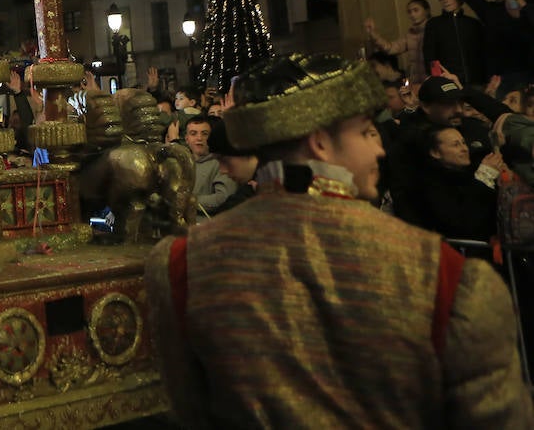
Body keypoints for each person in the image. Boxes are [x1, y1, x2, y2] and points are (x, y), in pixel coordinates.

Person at [145, 53, 531, 426]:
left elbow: (192, 408)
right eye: (365, 132)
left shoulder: (184, 264)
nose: (379, 147)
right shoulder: (442, 276)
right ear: (320, 143)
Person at [423, 0, 486, 89]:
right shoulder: (434, 24)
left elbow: (483, 51)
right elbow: (429, 53)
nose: (445, 1)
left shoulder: (473, 23)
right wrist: (437, 77)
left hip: (475, 79)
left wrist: (485, 77)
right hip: (447, 80)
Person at [366, 0, 431, 86]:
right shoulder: (410, 34)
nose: (412, 14)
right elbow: (391, 48)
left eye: (416, 10)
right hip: (417, 83)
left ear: (426, 11)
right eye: (409, 12)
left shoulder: (435, 29)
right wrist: (373, 33)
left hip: (433, 80)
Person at [183, 115, 235, 219]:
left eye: (204, 134)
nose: (199, 138)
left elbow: (223, 197)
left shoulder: (220, 163)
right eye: (193, 133)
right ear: (187, 139)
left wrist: (188, 201)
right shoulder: (181, 163)